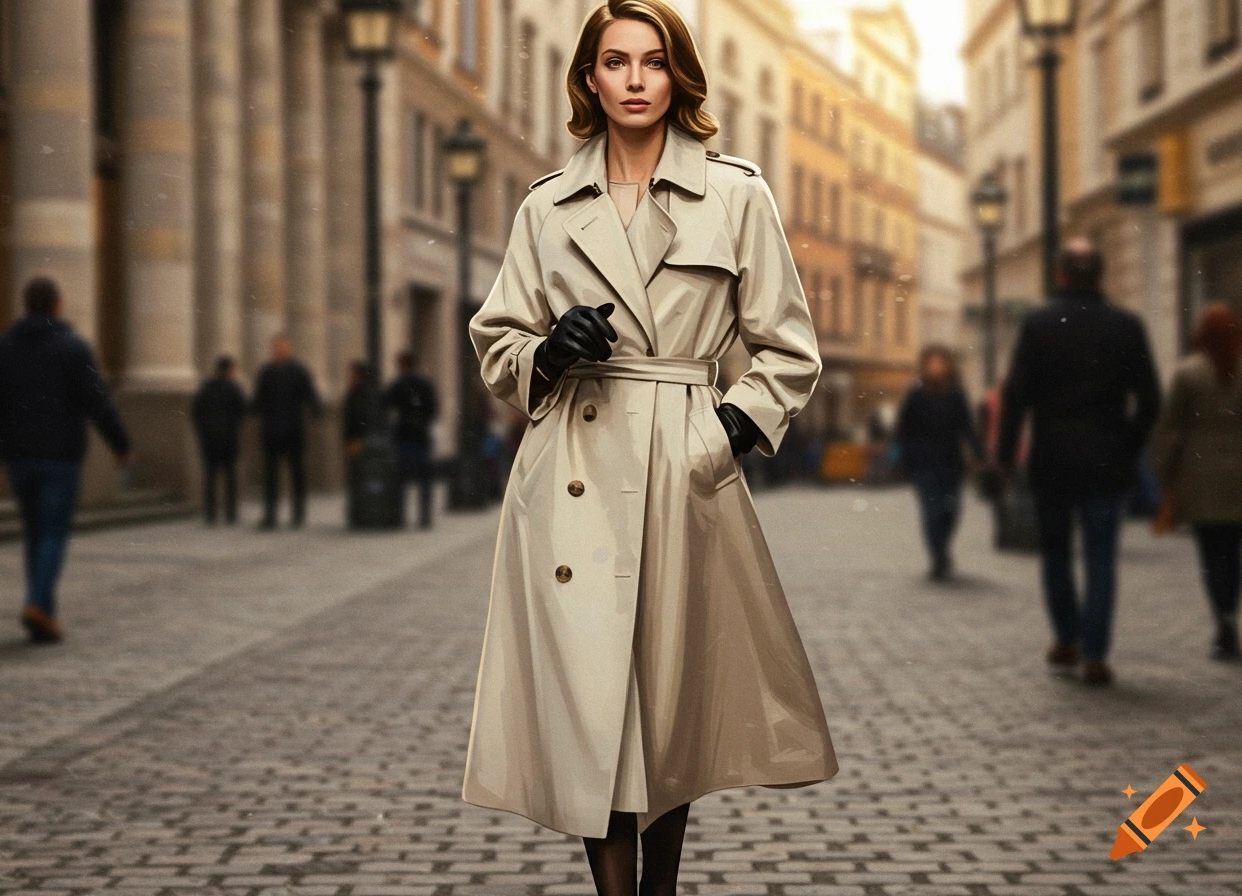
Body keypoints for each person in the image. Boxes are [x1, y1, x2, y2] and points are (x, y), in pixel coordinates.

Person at [462, 3, 838, 893]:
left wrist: (721, 435)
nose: (634, 80)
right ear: (588, 78)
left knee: (665, 713)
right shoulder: (547, 207)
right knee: (594, 705)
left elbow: (789, 349)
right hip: (573, 477)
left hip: (683, 472)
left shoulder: (736, 193)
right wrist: (547, 353)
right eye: (616, 62)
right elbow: (496, 338)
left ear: (679, 77)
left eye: (653, 62)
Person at [998, 237, 1161, 686]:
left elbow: (1017, 397)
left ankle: (1067, 637)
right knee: (1101, 557)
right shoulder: (1127, 326)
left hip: (1052, 459)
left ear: (1060, 275)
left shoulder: (1040, 324)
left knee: (1055, 553)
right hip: (1107, 461)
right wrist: (1128, 446)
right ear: (1101, 275)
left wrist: (1006, 456)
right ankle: (1094, 652)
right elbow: (1149, 400)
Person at [0, 277, 132, 643]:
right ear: (57, 306)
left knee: (36, 533)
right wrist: (121, 445)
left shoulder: (1, 349)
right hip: (60, 457)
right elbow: (98, 401)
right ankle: (37, 603)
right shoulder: (74, 348)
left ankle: (43, 610)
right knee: (53, 532)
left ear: (25, 305)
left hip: (20, 457)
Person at [1152, 303, 1242, 660]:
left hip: (1201, 480)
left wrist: (1164, 475)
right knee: (1233, 551)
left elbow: (1171, 430)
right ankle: (1231, 608)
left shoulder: (1189, 374)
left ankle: (1224, 622)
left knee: (1212, 554)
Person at [894, 345, 984, 580]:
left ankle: (941, 549)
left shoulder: (955, 394)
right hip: (923, 463)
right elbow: (904, 429)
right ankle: (938, 555)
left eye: (940, 362)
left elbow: (967, 427)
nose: (935, 367)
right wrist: (906, 455)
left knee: (950, 510)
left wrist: (979, 454)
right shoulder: (916, 395)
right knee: (932, 510)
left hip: (950, 462)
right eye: (931, 362)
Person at [251, 335, 320, 529]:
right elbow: (258, 398)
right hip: (271, 431)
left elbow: (310, 394)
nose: (279, 350)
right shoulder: (267, 372)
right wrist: (252, 410)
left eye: (282, 347)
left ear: (289, 349)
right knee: (270, 475)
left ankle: (298, 514)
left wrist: (316, 411)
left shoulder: (298, 371)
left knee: (297, 473)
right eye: (276, 347)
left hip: (293, 430)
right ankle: (270, 515)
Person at [381, 352, 438, 528]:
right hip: (420, 436)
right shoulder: (425, 384)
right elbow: (433, 408)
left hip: (404, 436)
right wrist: (422, 420)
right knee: (424, 479)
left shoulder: (399, 384)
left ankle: (398, 517)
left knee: (400, 479)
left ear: (402, 365)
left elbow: (383, 403)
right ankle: (425, 516)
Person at [191, 356, 247, 525]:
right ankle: (230, 513)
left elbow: (196, 412)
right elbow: (243, 409)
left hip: (210, 439)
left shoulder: (206, 388)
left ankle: (211, 513)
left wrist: (203, 432)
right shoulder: (233, 388)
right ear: (229, 370)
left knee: (211, 476)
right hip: (228, 438)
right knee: (230, 476)